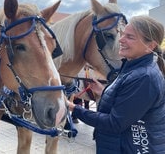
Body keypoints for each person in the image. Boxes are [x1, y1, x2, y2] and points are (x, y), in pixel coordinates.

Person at [67, 15, 165, 154]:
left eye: (130, 37)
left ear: (150, 46)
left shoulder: (144, 77)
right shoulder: (133, 67)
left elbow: (114, 123)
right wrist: (104, 91)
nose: (121, 40)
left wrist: (74, 108)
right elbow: (128, 102)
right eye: (123, 34)